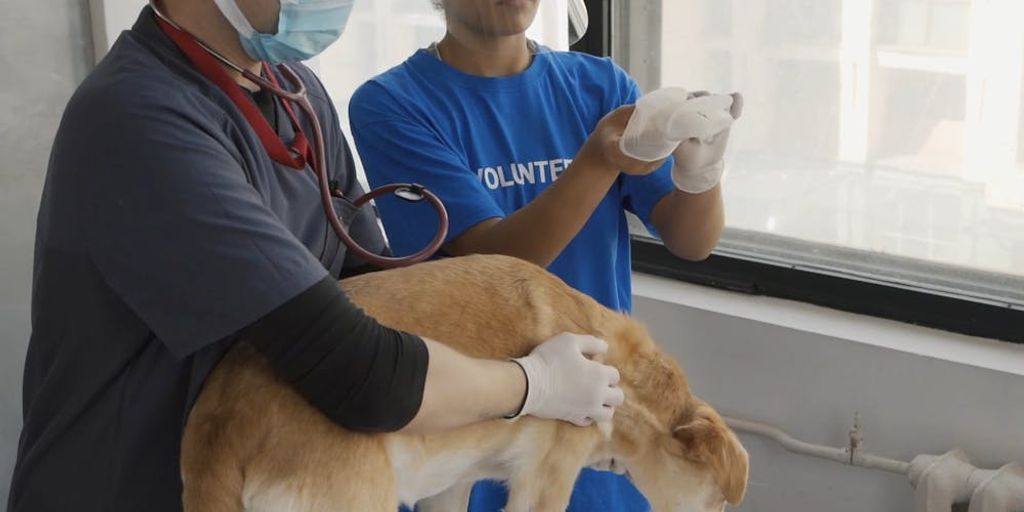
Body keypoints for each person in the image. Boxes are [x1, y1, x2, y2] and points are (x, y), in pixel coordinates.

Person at [5, 1, 627, 510]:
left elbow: (387, 305)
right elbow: (359, 368)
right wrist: (530, 385)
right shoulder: (138, 117)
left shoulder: (294, 93)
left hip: (259, 477)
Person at [348, 0, 742, 510]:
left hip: (598, 436)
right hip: (470, 448)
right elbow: (499, 264)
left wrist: (700, 173)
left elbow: (691, 241)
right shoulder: (392, 105)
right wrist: (598, 160)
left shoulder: (599, 86)